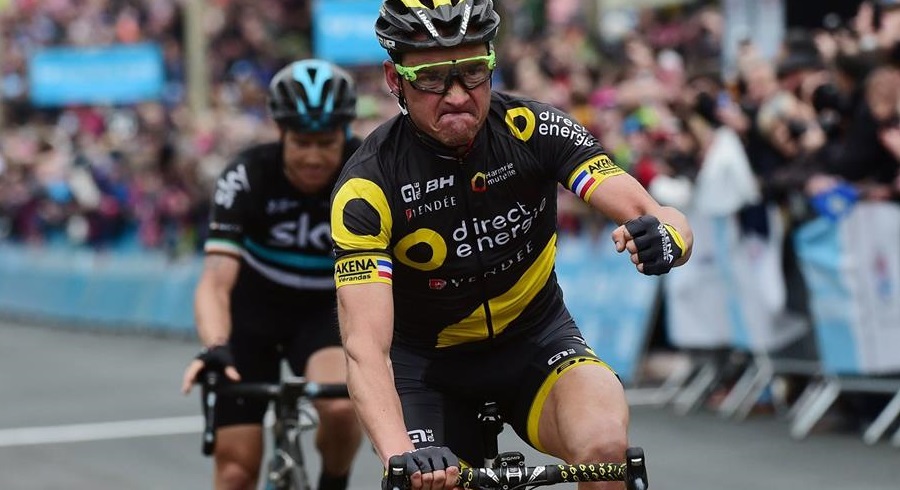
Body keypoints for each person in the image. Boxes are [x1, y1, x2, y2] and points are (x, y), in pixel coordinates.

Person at [329, 1, 694, 489]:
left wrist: (668, 238)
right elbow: (365, 348)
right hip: (428, 370)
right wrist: (401, 454)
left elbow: (659, 214)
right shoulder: (369, 184)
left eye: (473, 72)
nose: (457, 95)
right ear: (395, 80)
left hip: (537, 340)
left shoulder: (534, 128)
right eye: (432, 78)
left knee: (606, 451)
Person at [180, 59, 363, 490]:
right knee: (236, 473)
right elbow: (215, 279)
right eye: (301, 142)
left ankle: (334, 482)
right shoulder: (246, 174)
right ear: (281, 133)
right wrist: (215, 345)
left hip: (325, 312)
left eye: (327, 142)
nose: (314, 157)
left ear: (345, 134)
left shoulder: (367, 169)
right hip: (253, 314)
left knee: (341, 408)